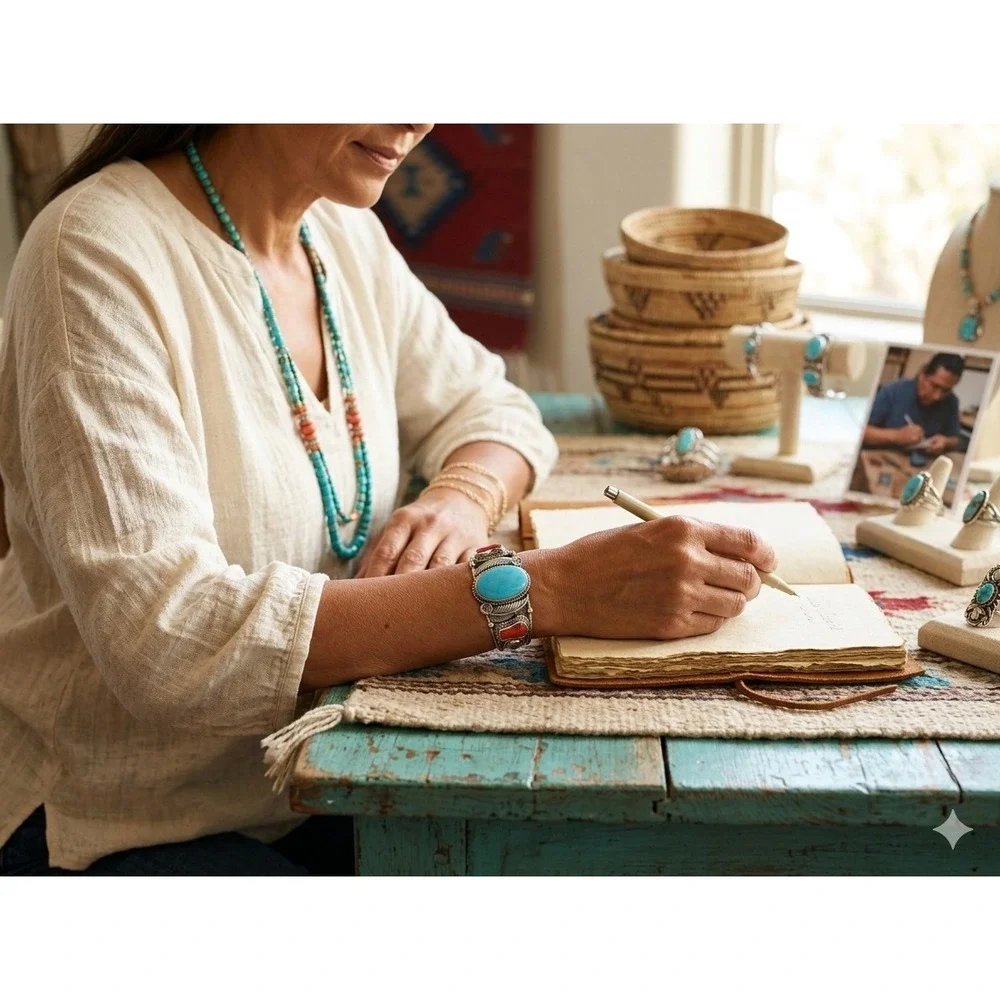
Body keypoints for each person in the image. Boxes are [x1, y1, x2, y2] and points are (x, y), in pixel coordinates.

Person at [0, 125, 776, 875]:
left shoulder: (338, 236)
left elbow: (495, 410)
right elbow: (164, 640)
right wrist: (544, 591)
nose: (419, 116)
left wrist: (461, 498)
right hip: (116, 822)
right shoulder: (94, 252)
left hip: (324, 769)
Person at [862, 352, 965, 458]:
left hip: (922, 463)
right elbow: (862, 432)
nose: (937, 396)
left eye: (946, 390)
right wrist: (896, 436)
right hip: (884, 458)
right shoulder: (893, 391)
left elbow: (956, 439)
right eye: (935, 386)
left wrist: (946, 442)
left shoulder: (951, 401)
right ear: (922, 375)